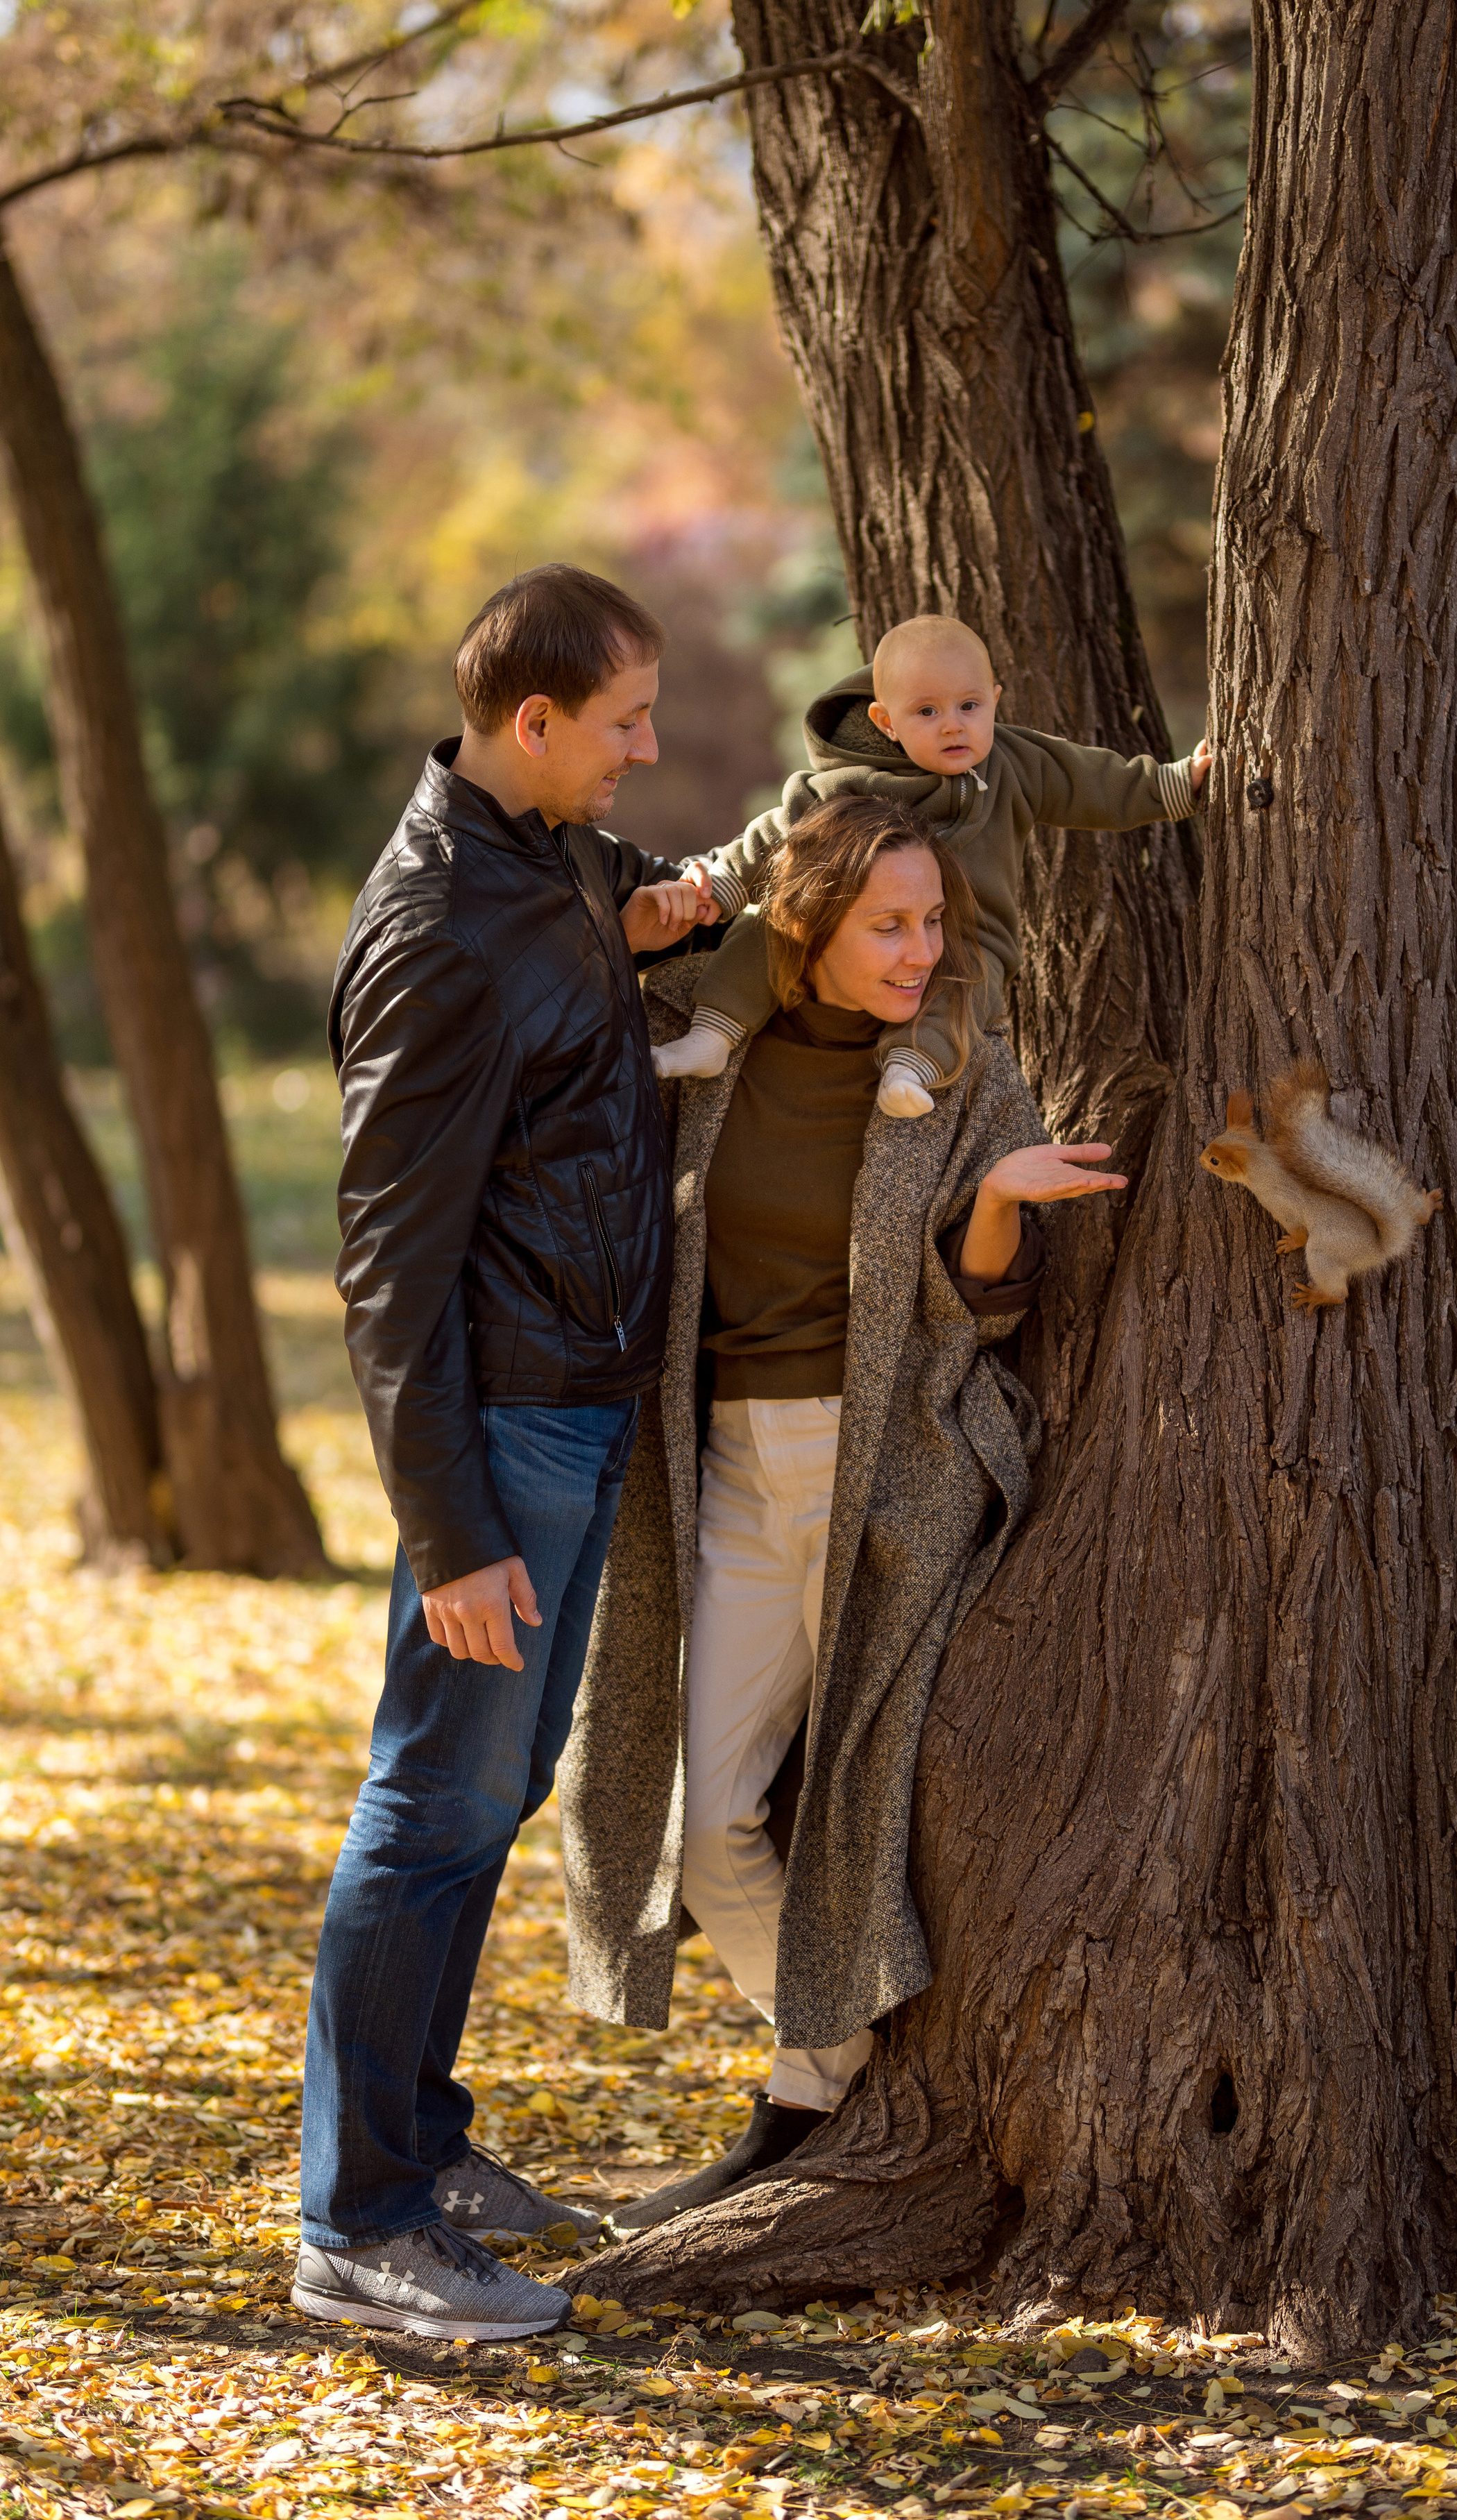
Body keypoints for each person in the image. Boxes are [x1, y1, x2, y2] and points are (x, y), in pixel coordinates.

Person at [554, 797, 1125, 2232]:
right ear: (801, 933)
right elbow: (569, 1029)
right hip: (725, 1474)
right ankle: (854, 2067)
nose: (919, 950)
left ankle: (800, 2107)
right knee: (700, 1820)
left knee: (851, 1810)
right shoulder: (704, 1047)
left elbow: (993, 1307)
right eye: (887, 924)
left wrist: (994, 1197)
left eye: (933, 923)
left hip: (891, 1480)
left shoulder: (958, 1068)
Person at [295, 563, 717, 2340]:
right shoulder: (438, 932)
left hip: (585, 1406)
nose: (644, 749)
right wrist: (451, 1529)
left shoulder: (546, 862)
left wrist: (671, 904)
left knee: (491, 1796)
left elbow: (619, 912)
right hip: (504, 1436)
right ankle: (361, 2221)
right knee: (432, 1803)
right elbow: (388, 1264)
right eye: (620, 723)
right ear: (529, 723)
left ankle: (422, 2141)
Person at [651, 611, 1210, 1116]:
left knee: (969, 990)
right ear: (887, 721)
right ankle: (714, 1032)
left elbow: (1092, 782)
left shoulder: (1015, 763)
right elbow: (780, 828)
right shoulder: (859, 779)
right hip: (870, 930)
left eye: (970, 706)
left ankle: (911, 1069)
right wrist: (720, 880)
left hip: (976, 932)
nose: (953, 725)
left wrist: (1174, 784)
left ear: (994, 699)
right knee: (770, 925)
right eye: (926, 712)